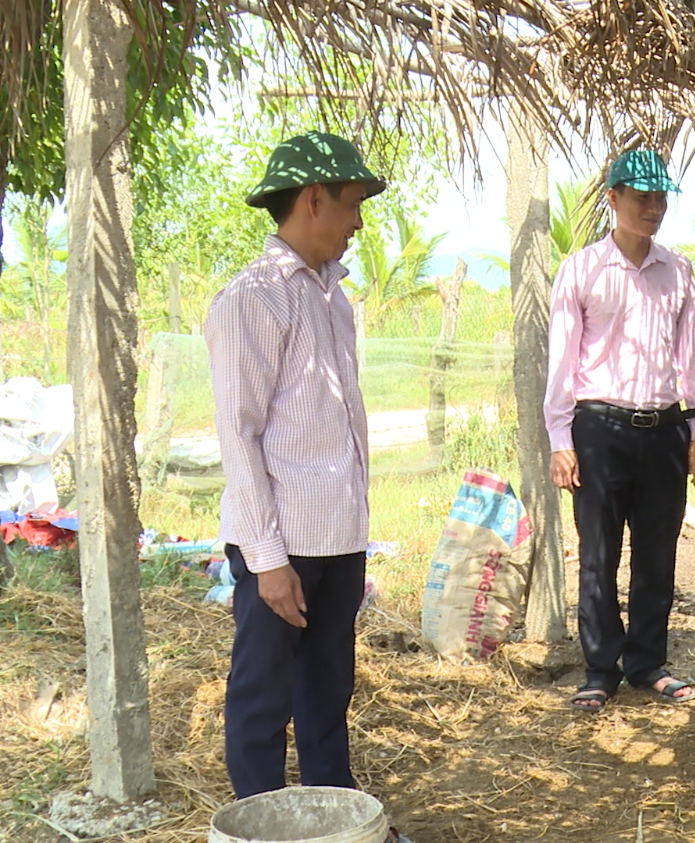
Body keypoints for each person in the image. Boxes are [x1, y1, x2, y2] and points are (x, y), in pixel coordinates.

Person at [206, 132, 385, 797]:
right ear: (314, 200)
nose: (360, 222)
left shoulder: (334, 297)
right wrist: (267, 558)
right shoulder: (253, 298)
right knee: (261, 700)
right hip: (282, 545)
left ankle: (333, 817)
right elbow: (239, 435)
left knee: (326, 694)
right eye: (353, 204)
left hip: (338, 537)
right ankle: (260, 822)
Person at [545, 149, 695, 713]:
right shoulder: (582, 269)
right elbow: (562, 362)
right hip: (599, 427)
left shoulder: (678, 270)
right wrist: (560, 440)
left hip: (664, 429)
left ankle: (647, 662)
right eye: (642, 197)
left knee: (657, 551)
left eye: (661, 197)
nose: (654, 207)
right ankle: (599, 667)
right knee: (598, 554)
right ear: (612, 199)